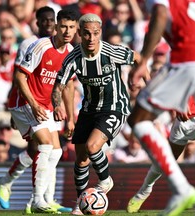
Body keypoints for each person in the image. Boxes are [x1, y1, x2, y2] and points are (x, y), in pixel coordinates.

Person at [126, 0, 195, 215]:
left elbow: (158, 14)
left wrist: (144, 61)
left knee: (138, 120)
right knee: (182, 148)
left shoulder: (169, 3)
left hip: (194, 66)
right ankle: (146, 191)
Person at [51, 13, 142, 215]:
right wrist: (59, 107)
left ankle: (105, 180)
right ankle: (81, 202)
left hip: (115, 107)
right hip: (89, 109)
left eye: (95, 33)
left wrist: (144, 79)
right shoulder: (73, 58)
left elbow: (137, 57)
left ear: (100, 33)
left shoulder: (111, 52)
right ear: (80, 35)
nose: (91, 38)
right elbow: (59, 85)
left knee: (93, 146)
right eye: (86, 34)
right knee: (81, 159)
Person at [0, 8, 78, 214]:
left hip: (46, 105)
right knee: (44, 145)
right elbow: (19, 76)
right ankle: (36, 200)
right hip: (25, 102)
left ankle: (45, 198)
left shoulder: (71, 53)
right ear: (54, 26)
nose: (67, 31)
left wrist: (70, 117)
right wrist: (31, 105)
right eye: (63, 26)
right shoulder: (37, 45)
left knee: (55, 150)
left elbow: (67, 85)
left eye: (71, 27)